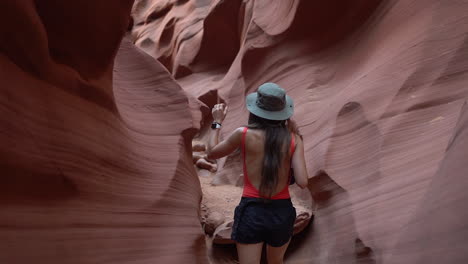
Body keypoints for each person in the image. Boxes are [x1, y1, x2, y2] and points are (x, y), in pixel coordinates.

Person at [206, 83, 309, 264]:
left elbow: (212, 152)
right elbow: (302, 181)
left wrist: (217, 122)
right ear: (282, 112)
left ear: (256, 110)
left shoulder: (243, 134)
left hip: (251, 211)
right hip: (282, 213)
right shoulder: (294, 139)